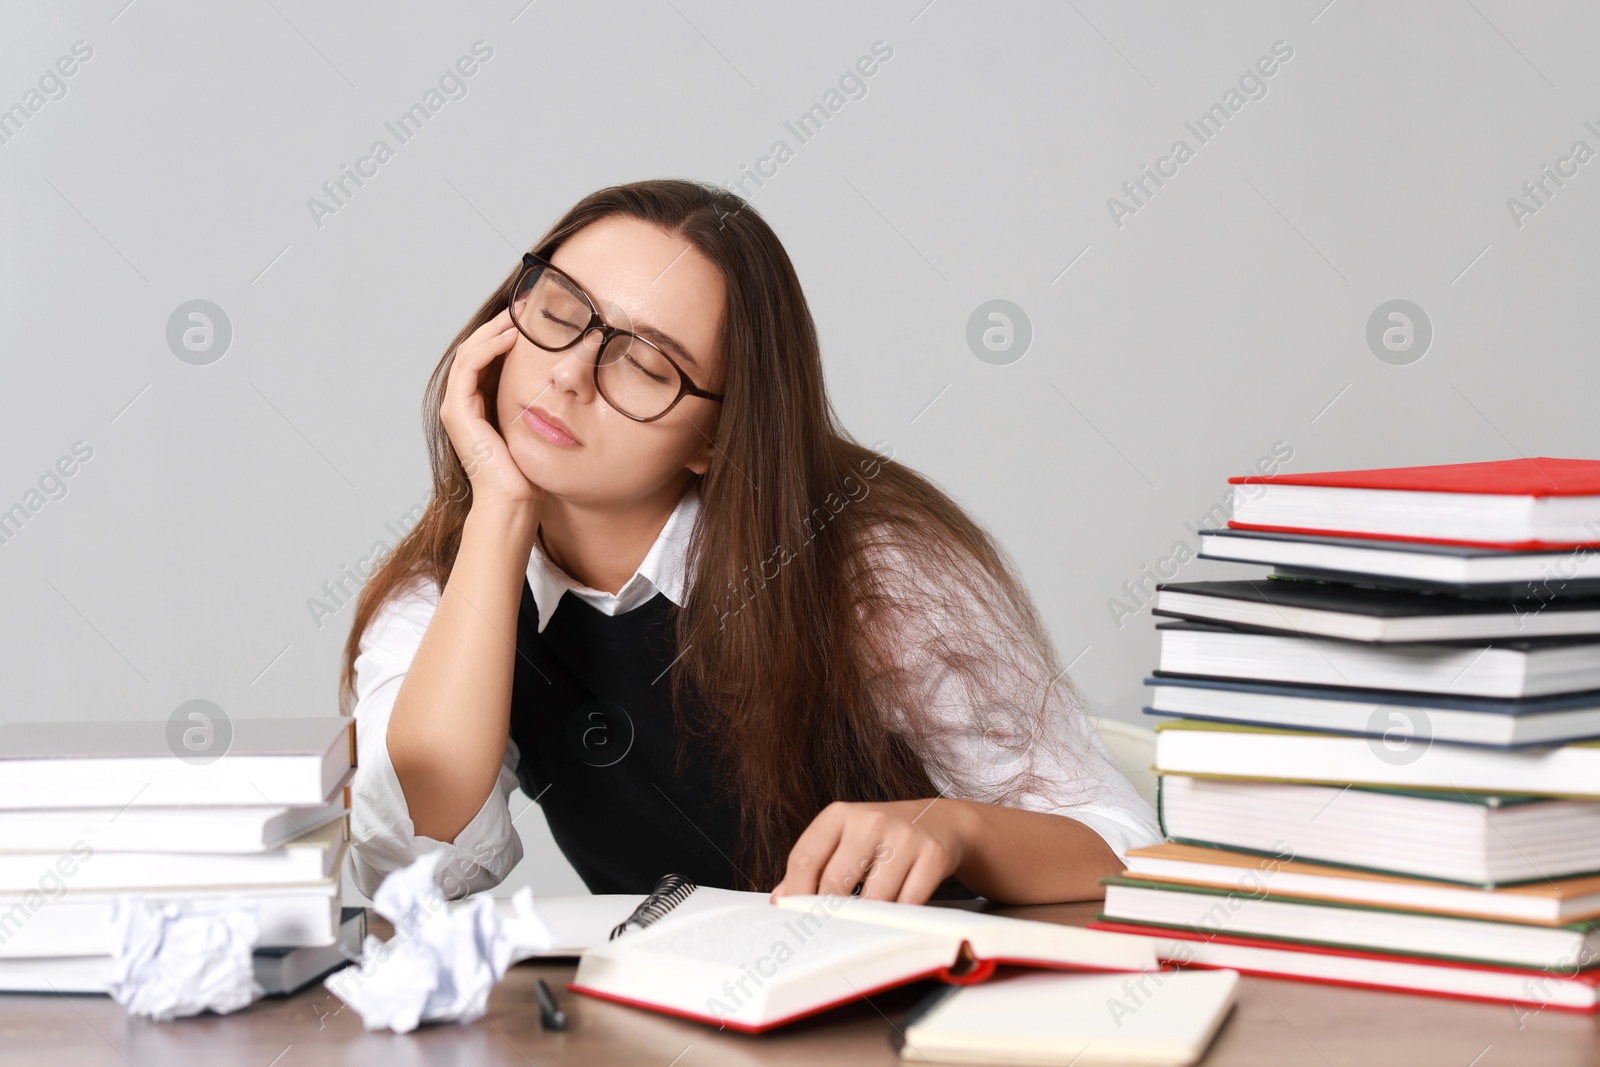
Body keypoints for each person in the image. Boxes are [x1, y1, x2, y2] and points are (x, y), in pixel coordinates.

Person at [339, 178, 1160, 906]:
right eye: (558, 313)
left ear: (714, 439)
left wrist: (956, 831)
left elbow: (1123, 847)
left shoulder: (870, 570)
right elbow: (411, 869)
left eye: (648, 365)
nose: (570, 374)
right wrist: (499, 515)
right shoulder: (450, 588)